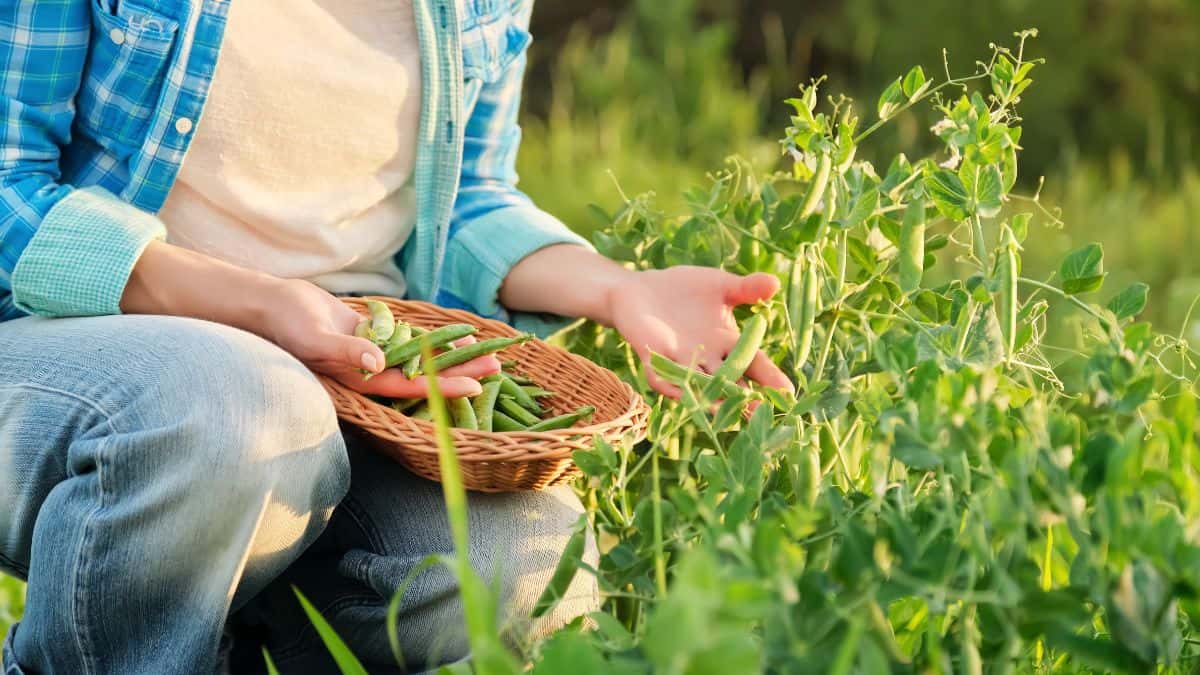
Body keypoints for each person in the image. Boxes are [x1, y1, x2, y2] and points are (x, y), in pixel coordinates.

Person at [0, 1, 791, 672]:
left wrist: (618, 286)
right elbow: (8, 180)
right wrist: (264, 306)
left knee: (523, 565)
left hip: (356, 372)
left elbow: (472, 193)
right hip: (89, 350)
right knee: (237, 408)